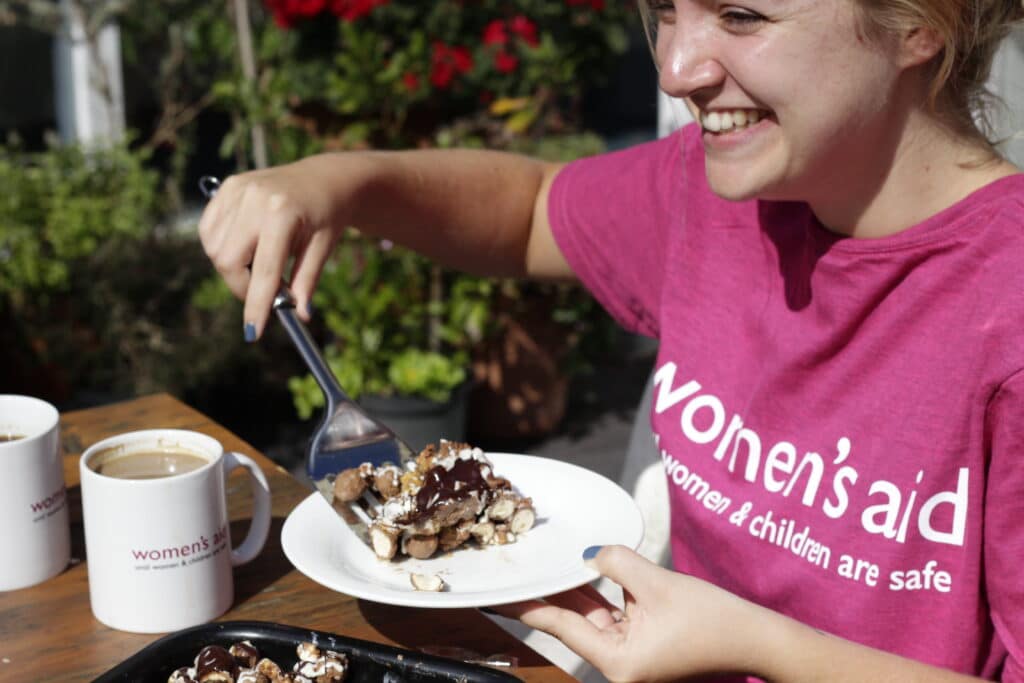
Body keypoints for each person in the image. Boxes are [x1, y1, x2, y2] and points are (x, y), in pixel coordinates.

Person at [198, 0, 1024, 680]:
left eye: (740, 17)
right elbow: (531, 210)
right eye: (664, 11)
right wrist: (344, 182)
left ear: (925, 24)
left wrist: (754, 643)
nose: (675, 69)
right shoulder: (717, 193)